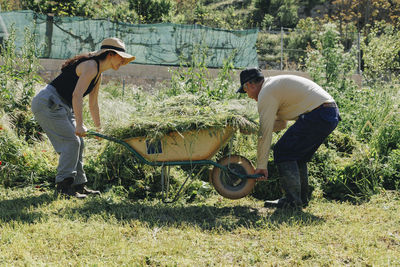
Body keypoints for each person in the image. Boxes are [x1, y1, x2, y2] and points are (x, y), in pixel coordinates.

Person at [31, 37, 135, 198]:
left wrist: (99, 128)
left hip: (62, 105)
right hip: (48, 103)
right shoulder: (91, 66)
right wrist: (79, 125)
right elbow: (77, 95)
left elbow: (93, 104)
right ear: (109, 54)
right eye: (120, 57)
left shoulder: (97, 73)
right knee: (72, 142)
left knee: (80, 143)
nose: (122, 62)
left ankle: (78, 185)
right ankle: (63, 188)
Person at [237, 68, 340, 209]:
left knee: (282, 151)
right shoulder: (274, 87)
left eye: (246, 91)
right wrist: (254, 128)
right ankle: (300, 200)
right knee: (298, 156)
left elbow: (265, 134)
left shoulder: (266, 92)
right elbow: (281, 124)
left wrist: (261, 166)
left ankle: (292, 201)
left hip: (318, 113)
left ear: (250, 85)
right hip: (329, 113)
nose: (248, 96)